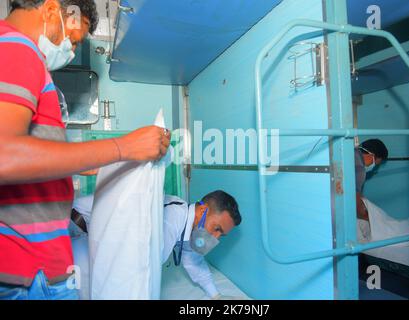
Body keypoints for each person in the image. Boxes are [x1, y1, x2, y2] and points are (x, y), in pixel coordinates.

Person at [0, 0, 170, 300]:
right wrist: (123, 146)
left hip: (37, 269)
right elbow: (5, 155)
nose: (71, 51)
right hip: (29, 276)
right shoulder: (15, 48)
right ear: (52, 9)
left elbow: (34, 155)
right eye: (73, 40)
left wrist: (106, 161)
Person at [70, 190, 243, 300]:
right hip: (74, 223)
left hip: (96, 236)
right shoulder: (173, 215)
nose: (216, 238)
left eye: (222, 235)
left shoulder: (189, 228)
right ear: (203, 211)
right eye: (216, 228)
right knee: (80, 289)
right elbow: (146, 267)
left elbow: (194, 262)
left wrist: (216, 296)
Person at [355, 139, 388, 221]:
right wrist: (371, 220)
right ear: (371, 156)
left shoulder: (351, 152)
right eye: (375, 164)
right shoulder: (359, 170)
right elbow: (357, 205)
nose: (373, 167)